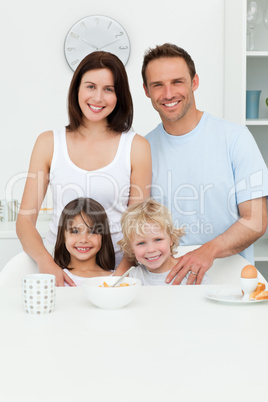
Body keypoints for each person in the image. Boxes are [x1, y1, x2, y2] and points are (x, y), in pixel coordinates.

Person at [16, 51, 152, 286]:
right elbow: (24, 222)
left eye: (109, 89)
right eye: (90, 86)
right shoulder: (49, 143)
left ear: (119, 96)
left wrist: (118, 278)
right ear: (77, 89)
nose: (98, 98)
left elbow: (136, 227)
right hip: (59, 270)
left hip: (117, 270)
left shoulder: (136, 146)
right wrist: (47, 263)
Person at [141, 43, 268, 285]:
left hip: (231, 281)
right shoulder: (141, 150)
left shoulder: (235, 138)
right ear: (146, 90)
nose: (168, 93)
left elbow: (256, 220)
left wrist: (207, 251)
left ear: (194, 82)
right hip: (164, 284)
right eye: (158, 85)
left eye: (177, 82)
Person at [118, 198, 210, 285]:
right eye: (141, 243)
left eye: (158, 240)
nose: (151, 249)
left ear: (171, 239)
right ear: (131, 248)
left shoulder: (191, 272)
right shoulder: (132, 278)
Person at [54, 197, 115, 286]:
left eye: (92, 231)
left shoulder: (117, 279)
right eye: (75, 231)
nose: (83, 240)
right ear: (63, 236)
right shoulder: (54, 278)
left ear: (103, 236)